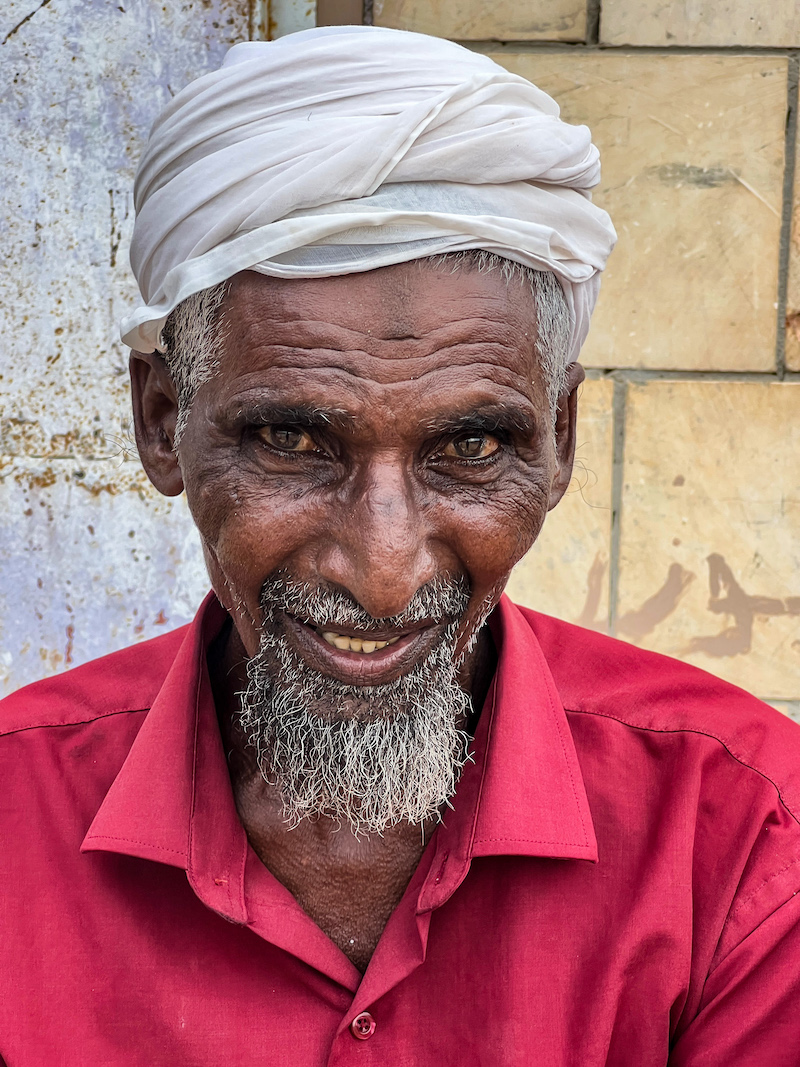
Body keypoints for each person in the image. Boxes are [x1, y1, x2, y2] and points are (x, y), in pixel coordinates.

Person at [1, 25, 798, 1067]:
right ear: (161, 421)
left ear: (558, 439)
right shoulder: (17, 817)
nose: (383, 569)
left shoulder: (738, 830)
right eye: (292, 440)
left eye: (468, 446)